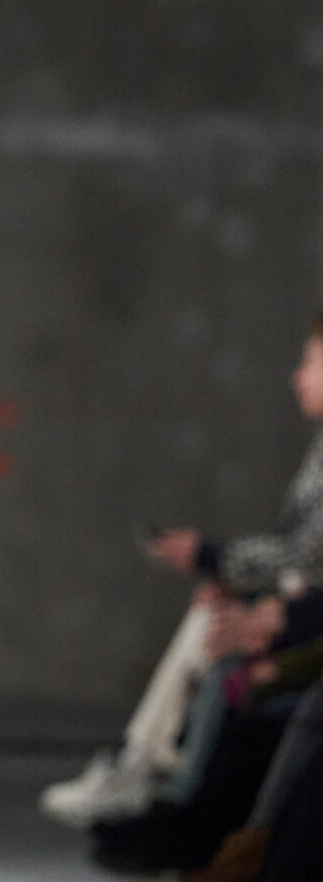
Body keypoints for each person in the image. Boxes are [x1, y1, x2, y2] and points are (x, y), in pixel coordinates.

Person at [42, 311, 323, 829]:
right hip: (302, 607)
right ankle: (153, 778)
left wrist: (215, 560)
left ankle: (156, 783)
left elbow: (307, 554)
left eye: (309, 360)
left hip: (308, 618)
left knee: (212, 637)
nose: (297, 376)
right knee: (210, 621)